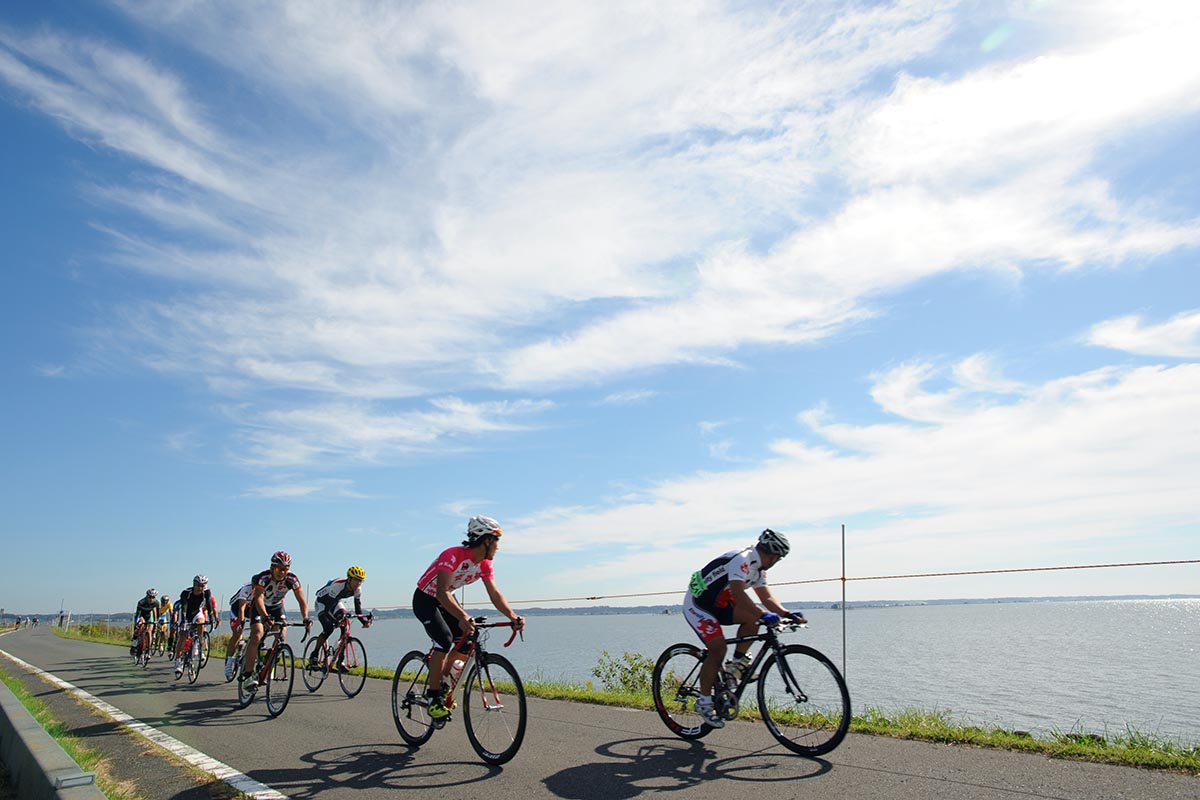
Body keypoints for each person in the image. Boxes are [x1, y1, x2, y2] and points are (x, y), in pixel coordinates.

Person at [682, 528, 806, 728]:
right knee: (718, 649)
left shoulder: (758, 569)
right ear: (774, 555)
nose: (777, 562)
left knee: (754, 620)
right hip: (699, 605)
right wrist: (764, 614)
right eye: (779, 558)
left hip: (721, 604)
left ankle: (736, 665)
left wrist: (786, 613)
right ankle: (704, 702)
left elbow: (766, 597)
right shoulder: (742, 560)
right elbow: (740, 595)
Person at [412, 515, 525, 721]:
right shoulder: (453, 555)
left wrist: (512, 616)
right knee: (444, 640)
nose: (498, 547)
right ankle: (433, 697)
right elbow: (441, 592)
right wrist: (463, 616)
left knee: (467, 638)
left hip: (447, 599)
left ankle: (443, 680)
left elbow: (494, 594)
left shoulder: (484, 565)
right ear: (486, 540)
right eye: (497, 540)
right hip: (426, 599)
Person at [240, 551, 311, 690]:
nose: (282, 572)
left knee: (282, 635)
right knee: (257, 635)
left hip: (277, 607)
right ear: (272, 567)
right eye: (279, 569)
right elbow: (259, 598)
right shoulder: (264, 577)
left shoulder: (292, 580)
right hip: (260, 607)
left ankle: (269, 662)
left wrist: (306, 618)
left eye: (285, 569)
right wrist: (265, 617)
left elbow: (302, 601)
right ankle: (247, 675)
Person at [308, 566, 371, 671]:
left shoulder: (358, 590)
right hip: (322, 603)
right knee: (329, 628)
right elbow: (328, 608)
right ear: (349, 579)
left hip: (335, 602)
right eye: (356, 580)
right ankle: (314, 655)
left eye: (360, 581)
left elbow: (358, 610)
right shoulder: (338, 586)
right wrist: (335, 621)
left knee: (345, 625)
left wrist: (364, 621)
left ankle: (339, 660)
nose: (358, 583)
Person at [173, 575, 220, 678]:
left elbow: (209, 604)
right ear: (194, 584)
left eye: (203, 585)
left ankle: (196, 644)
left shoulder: (206, 592)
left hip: (196, 612)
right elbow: (184, 606)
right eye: (198, 585)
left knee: (201, 621)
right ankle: (178, 662)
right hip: (186, 613)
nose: (200, 588)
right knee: (183, 636)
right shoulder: (186, 593)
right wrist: (184, 620)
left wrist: (212, 619)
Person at [223, 581, 254, 681]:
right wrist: (241, 623)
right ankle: (228, 662)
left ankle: (244, 648)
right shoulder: (246, 589)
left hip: (250, 608)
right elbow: (241, 608)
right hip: (237, 608)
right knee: (237, 633)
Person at [130, 589, 158, 657]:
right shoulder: (141, 602)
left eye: (153, 597)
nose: (151, 599)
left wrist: (156, 621)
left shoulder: (156, 603)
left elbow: (157, 613)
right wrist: (137, 622)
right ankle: (134, 645)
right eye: (150, 597)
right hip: (141, 615)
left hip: (149, 616)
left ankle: (148, 650)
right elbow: (138, 614)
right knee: (139, 628)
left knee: (149, 631)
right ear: (147, 596)